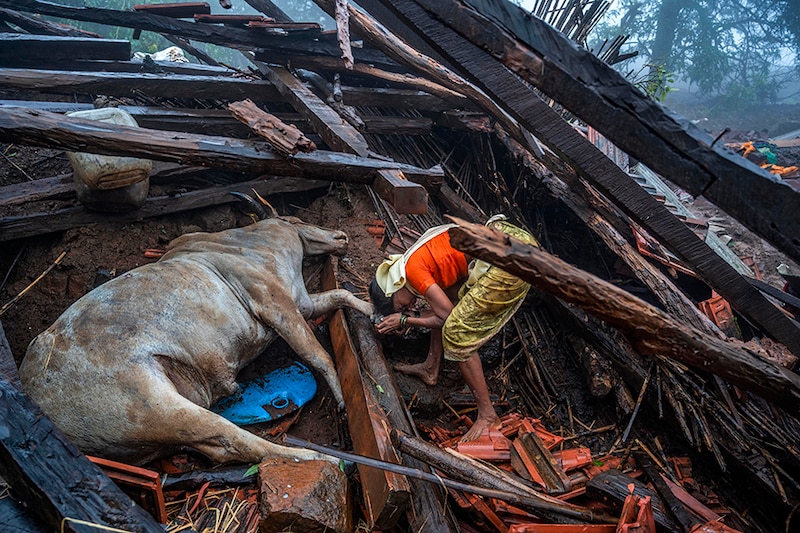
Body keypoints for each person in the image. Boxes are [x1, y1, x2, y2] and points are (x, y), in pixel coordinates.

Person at [369, 215, 538, 441]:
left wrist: (404, 320)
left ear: (394, 289)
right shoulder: (413, 265)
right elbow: (445, 307)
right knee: (448, 303)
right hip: (514, 239)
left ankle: (488, 415)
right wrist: (411, 316)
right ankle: (432, 367)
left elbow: (447, 318)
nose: (408, 306)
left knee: (457, 332)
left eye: (401, 304)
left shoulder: (413, 273)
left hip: (510, 257)